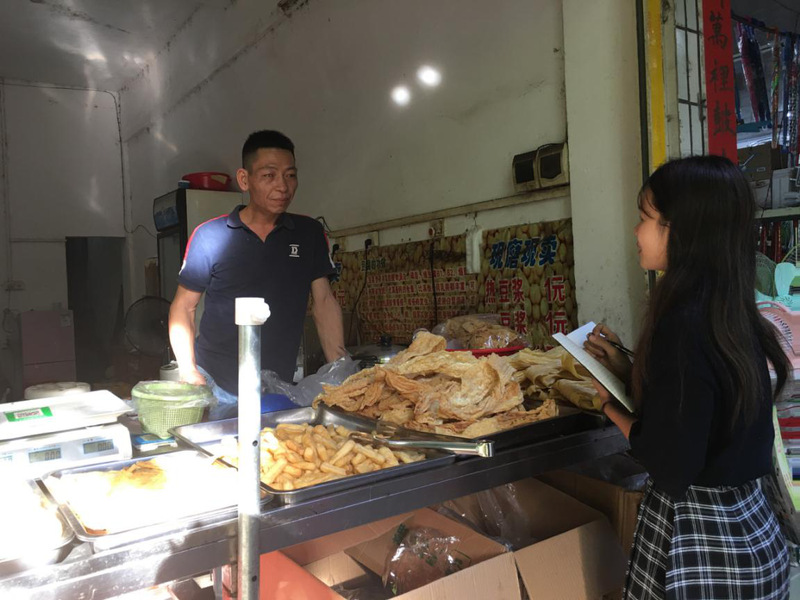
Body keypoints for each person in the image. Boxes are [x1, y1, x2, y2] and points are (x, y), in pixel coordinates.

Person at [584, 156, 790, 599]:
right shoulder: (730, 313)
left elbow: (671, 461)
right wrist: (627, 368)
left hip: (703, 549)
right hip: (754, 536)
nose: (635, 231)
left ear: (681, 230)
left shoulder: (681, 323)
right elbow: (699, 407)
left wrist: (608, 405)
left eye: (645, 218)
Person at [169, 130, 346, 419]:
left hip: (278, 388)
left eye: (290, 175)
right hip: (216, 385)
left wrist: (340, 367)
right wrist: (188, 369)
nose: (283, 186)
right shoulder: (210, 236)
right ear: (244, 179)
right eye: (269, 176)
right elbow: (183, 307)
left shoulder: (309, 233)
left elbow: (324, 302)